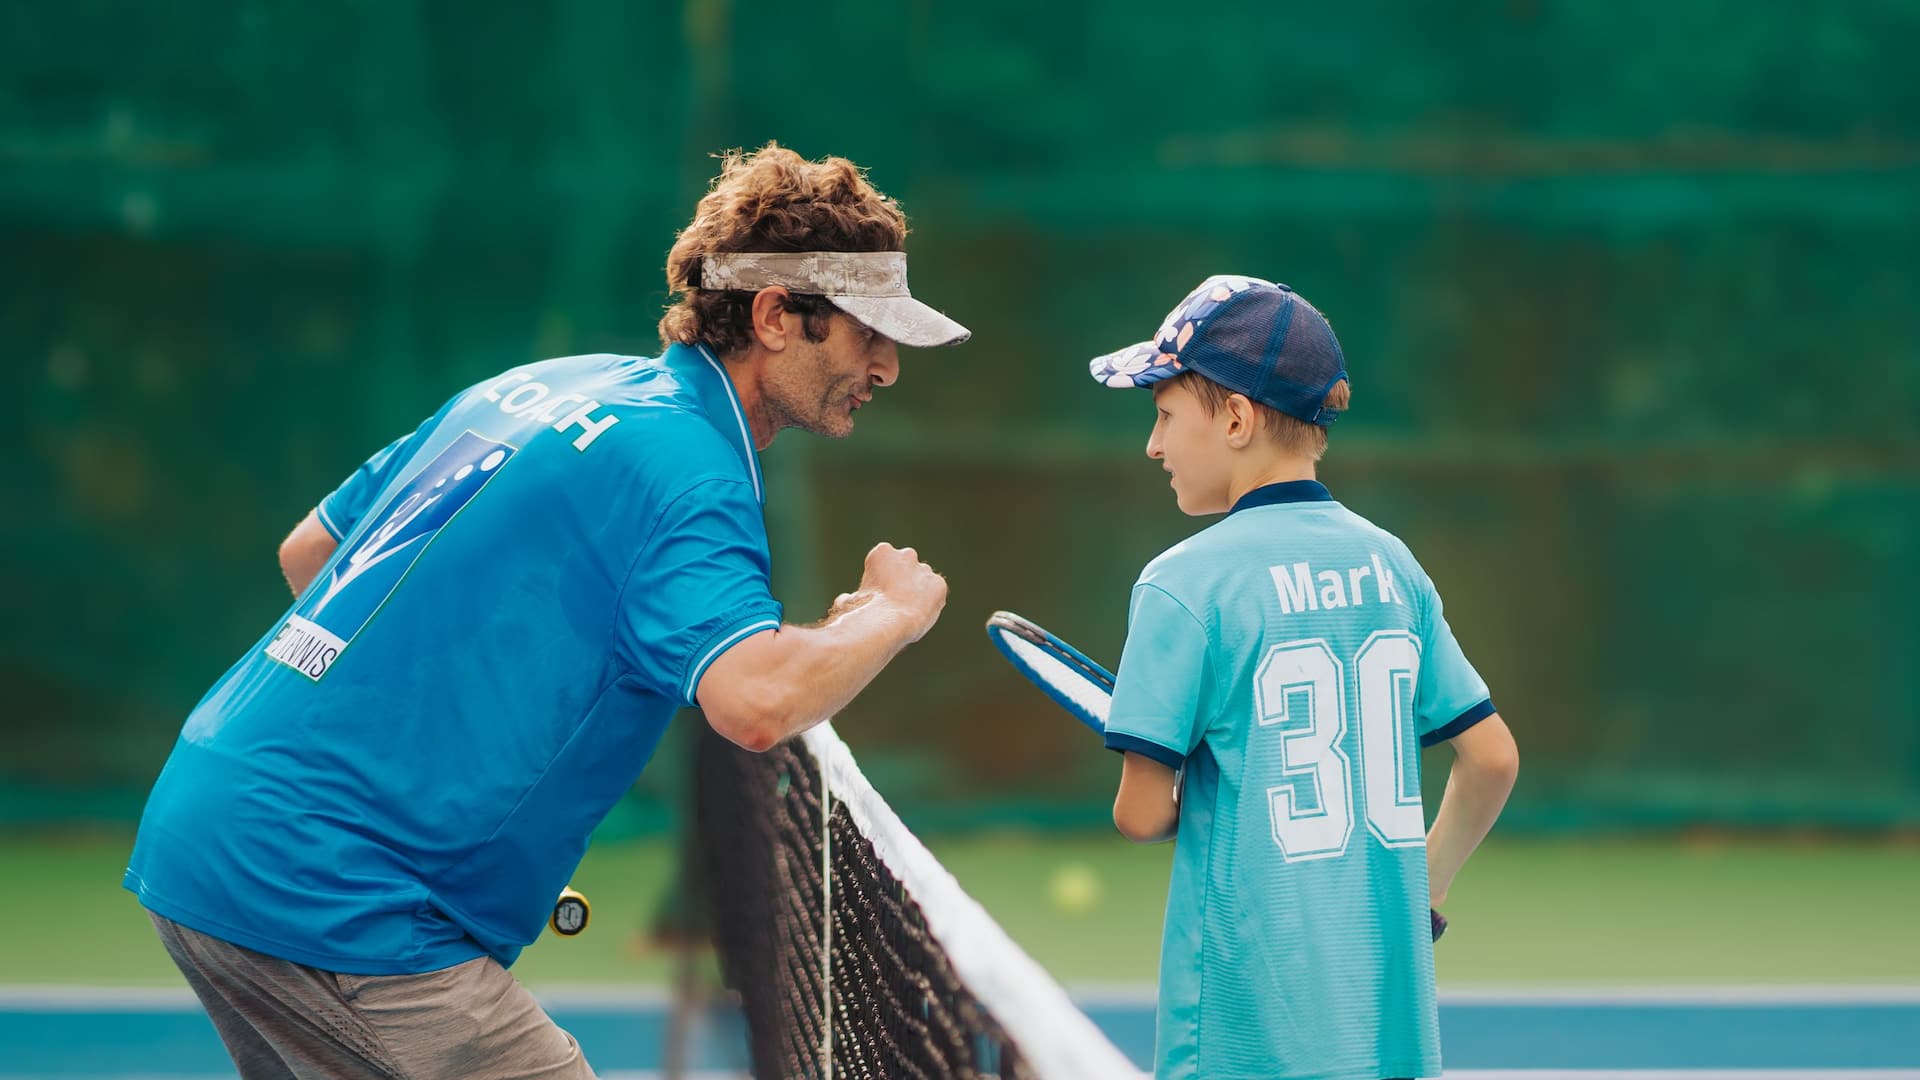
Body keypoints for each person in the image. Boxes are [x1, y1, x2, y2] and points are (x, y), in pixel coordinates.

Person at [123, 143, 966, 1079]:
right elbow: (757, 703)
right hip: (334, 896)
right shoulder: (689, 470)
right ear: (776, 317)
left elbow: (313, 554)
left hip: (213, 818)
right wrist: (892, 612)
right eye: (866, 334)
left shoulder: (548, 383)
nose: (887, 366)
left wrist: (456, 780)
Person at [1091, 276, 1520, 1080]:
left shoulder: (1179, 586)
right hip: (1386, 1017)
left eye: (1163, 414)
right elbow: (1493, 758)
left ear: (1236, 417)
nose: (1152, 445)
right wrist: (1416, 894)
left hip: (1239, 1022)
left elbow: (1143, 814)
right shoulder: (1393, 566)